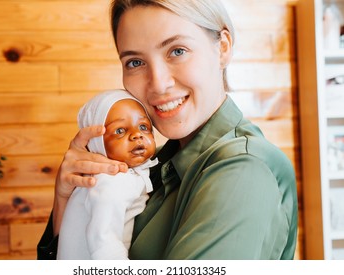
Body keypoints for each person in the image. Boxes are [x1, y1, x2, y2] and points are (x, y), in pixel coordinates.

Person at [38, 0, 298, 260]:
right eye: (135, 62)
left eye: (177, 51)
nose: (159, 84)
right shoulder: (154, 165)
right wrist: (67, 200)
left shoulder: (242, 171)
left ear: (222, 47)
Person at [57, 89, 157, 259]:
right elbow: (102, 238)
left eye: (143, 127)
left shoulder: (126, 175)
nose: (137, 135)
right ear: (96, 143)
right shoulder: (112, 180)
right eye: (120, 131)